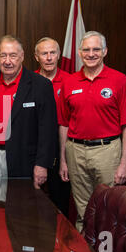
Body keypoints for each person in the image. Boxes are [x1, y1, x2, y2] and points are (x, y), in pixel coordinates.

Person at [0, 35, 57, 252]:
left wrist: (42, 164)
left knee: (23, 209)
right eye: (3, 55)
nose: (8, 60)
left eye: (13, 55)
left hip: (25, 159)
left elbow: (47, 128)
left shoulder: (40, 85)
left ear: (23, 57)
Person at [58, 31, 126, 232]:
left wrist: (125, 163)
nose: (91, 54)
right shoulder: (69, 82)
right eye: (86, 49)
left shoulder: (119, 80)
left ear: (105, 52)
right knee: (82, 208)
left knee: (109, 207)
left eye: (96, 49)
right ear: (79, 52)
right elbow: (63, 124)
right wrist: (63, 159)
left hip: (107, 151)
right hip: (75, 151)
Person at [34, 37, 71, 217]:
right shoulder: (29, 81)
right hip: (35, 145)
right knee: (32, 195)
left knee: (60, 197)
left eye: (52, 53)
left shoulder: (70, 81)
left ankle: (61, 239)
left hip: (60, 145)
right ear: (36, 57)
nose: (48, 57)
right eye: (44, 53)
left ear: (58, 56)